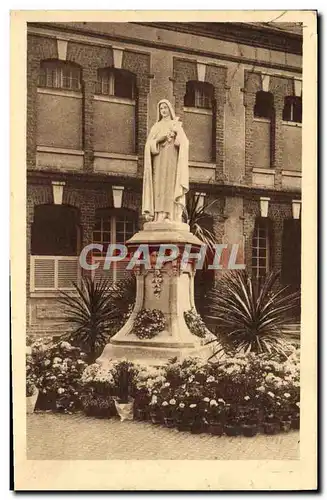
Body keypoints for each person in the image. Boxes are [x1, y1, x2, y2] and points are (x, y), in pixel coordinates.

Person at [142, 99, 189, 223]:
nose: (163, 110)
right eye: (161, 108)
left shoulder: (175, 124)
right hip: (159, 161)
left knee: (170, 185)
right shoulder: (156, 126)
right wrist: (158, 140)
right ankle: (160, 215)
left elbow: (183, 143)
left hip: (172, 160)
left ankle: (170, 214)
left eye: (165, 108)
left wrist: (177, 133)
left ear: (169, 109)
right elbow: (148, 146)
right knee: (159, 186)